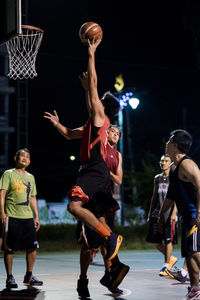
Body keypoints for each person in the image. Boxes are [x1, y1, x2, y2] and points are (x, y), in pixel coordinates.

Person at [44, 39, 122, 265]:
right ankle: (114, 271)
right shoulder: (92, 124)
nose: (96, 97)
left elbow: (94, 83)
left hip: (94, 170)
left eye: (99, 98)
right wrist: (57, 124)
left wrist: (91, 52)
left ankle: (111, 238)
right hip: (96, 172)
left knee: (73, 206)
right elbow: (69, 134)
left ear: (104, 105)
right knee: (97, 221)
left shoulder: (101, 116)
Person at [76, 125, 129, 298]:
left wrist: (107, 173)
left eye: (119, 133)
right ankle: (82, 280)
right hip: (91, 199)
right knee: (88, 246)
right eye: (113, 131)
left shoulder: (117, 155)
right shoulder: (98, 147)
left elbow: (119, 179)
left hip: (106, 202)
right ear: (106, 133)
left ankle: (110, 278)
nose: (116, 134)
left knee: (108, 243)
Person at [158, 129, 200, 300]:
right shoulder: (175, 168)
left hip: (194, 216)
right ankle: (195, 289)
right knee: (189, 254)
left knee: (196, 253)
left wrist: (199, 211)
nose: (166, 142)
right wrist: (161, 216)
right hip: (187, 217)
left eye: (169, 140)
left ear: (175, 145)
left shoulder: (187, 164)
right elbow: (171, 195)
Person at [0, 148, 43, 288]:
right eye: (22, 156)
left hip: (27, 217)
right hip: (12, 216)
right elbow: (2, 194)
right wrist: (2, 212)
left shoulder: (30, 177)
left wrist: (36, 216)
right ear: (15, 158)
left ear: (29, 161)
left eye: (27, 157)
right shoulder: (8, 174)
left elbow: (33, 197)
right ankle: (10, 277)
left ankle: (29, 276)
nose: (25, 158)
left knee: (32, 247)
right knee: (9, 248)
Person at [146, 154, 178, 276]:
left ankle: (166, 266)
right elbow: (154, 197)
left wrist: (174, 213)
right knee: (155, 241)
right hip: (157, 213)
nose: (163, 163)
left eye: (166, 161)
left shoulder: (174, 178)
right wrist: (150, 212)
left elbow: (177, 198)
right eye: (161, 160)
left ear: (170, 163)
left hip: (170, 214)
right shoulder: (157, 178)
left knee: (168, 240)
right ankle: (171, 258)